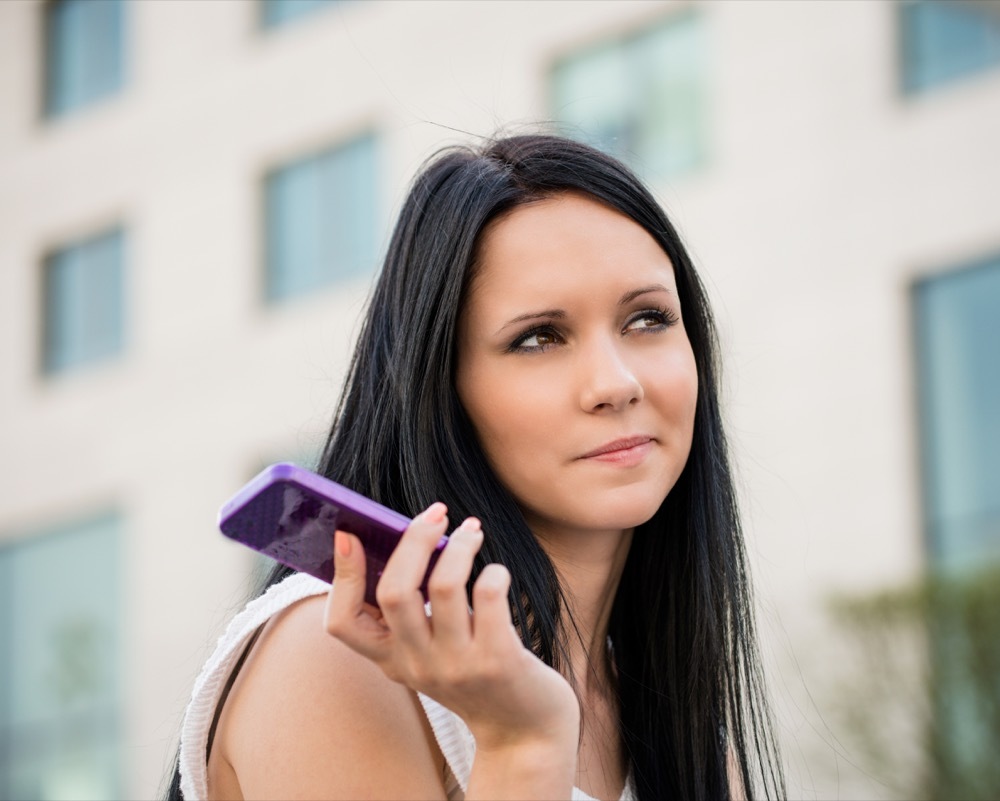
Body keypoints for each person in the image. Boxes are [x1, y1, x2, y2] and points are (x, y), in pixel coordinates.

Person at [166, 133, 786, 800]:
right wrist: (522, 749)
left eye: (647, 319)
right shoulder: (339, 654)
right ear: (443, 389)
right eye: (539, 337)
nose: (616, 382)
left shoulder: (679, 728)